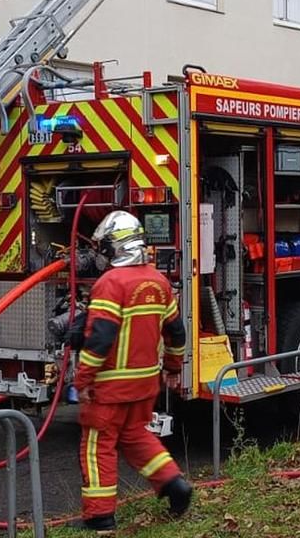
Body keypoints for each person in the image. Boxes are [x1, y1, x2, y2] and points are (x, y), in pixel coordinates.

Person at [74, 210, 191, 533]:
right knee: (136, 435)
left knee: (98, 446)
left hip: (110, 386)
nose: (102, 254)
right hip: (145, 384)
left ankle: (99, 517)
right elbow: (176, 332)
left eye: (105, 247)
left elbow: (101, 338)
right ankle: (174, 484)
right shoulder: (159, 281)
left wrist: (82, 378)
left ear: (116, 247)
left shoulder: (110, 283)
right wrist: (172, 367)